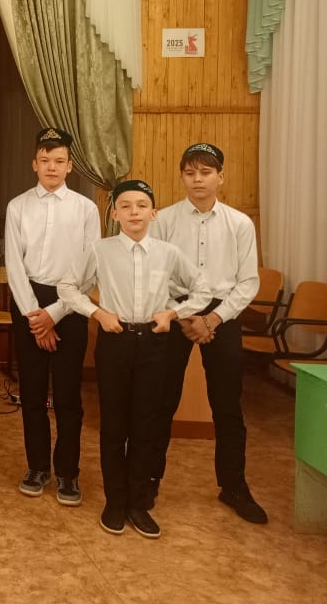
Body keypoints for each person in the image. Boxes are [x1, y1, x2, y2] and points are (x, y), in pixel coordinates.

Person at [58, 179, 210, 538]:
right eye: (125, 206)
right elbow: (67, 287)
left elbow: (203, 288)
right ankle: (115, 502)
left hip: (155, 343)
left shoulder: (168, 253)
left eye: (142, 205)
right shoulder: (100, 250)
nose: (134, 212)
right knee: (114, 425)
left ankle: (139, 504)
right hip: (115, 341)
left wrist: (173, 313)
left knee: (146, 425)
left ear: (153, 213)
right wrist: (97, 313)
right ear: (115, 214)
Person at [148, 142, 267, 523]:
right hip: (174, 311)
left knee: (227, 406)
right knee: (161, 401)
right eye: (190, 173)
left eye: (205, 172)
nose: (197, 180)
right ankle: (148, 481)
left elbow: (248, 282)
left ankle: (234, 486)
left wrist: (213, 319)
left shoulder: (240, 223)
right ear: (182, 177)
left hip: (222, 314)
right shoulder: (164, 220)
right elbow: (155, 274)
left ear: (220, 177)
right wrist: (184, 316)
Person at [3, 127, 100, 506]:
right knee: (31, 393)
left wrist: (55, 313)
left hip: (70, 304)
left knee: (67, 396)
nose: (52, 167)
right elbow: (14, 265)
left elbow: (91, 267)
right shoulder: (17, 206)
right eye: (45, 160)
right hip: (28, 301)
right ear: (34, 164)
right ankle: (37, 466)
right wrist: (35, 316)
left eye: (59, 161)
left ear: (70, 166)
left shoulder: (85, 209)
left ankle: (68, 472)